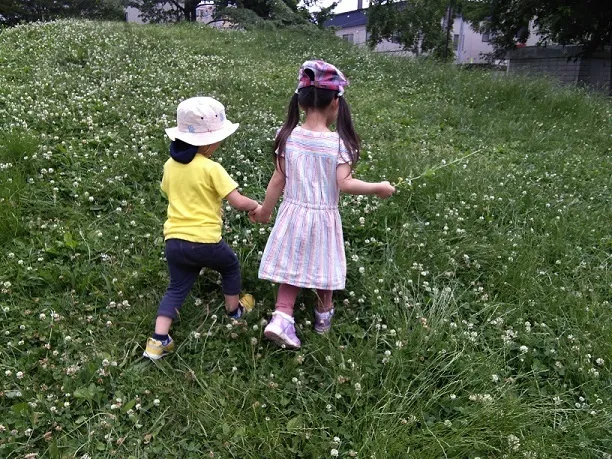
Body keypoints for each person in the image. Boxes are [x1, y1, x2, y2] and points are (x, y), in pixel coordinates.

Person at [250, 60, 395, 349]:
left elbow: (278, 179)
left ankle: (282, 316)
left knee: (292, 263)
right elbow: (346, 184)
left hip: (293, 213)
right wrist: (378, 188)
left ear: (302, 103)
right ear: (335, 104)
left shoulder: (288, 136)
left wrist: (265, 210)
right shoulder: (339, 143)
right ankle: (322, 318)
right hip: (324, 217)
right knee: (324, 266)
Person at [144, 97, 259, 360]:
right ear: (208, 142)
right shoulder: (211, 168)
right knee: (229, 265)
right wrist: (256, 205)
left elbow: (166, 189)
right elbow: (237, 201)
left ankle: (158, 340)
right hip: (205, 241)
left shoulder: (170, 166)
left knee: (177, 286)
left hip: (174, 241)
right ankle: (234, 311)